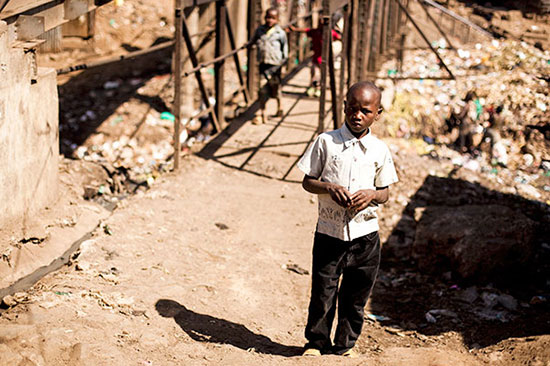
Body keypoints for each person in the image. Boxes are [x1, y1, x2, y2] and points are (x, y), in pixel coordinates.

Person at [297, 81, 398, 357]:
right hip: (330, 232)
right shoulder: (326, 142)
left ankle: (344, 346)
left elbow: (385, 192)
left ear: (378, 113)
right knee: (323, 292)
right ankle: (316, 344)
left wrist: (371, 195)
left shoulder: (379, 150)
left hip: (365, 237)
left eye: (365, 111)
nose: (357, 115)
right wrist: (329, 188)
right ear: (343, 107)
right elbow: (308, 181)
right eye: (352, 109)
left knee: (355, 296)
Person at [251, 7, 288, 124]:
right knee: (262, 90)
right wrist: (248, 45)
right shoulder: (260, 30)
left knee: (275, 89)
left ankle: (280, 106)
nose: (269, 20)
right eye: (268, 17)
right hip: (263, 64)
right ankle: (263, 113)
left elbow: (284, 50)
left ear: (277, 19)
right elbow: (253, 40)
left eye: (272, 18)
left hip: (275, 65)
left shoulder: (280, 33)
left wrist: (283, 65)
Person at [287, 22, 341, 97]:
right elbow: (305, 30)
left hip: (325, 60)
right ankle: (313, 88)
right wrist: (295, 29)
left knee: (319, 75)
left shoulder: (330, 33)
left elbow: (339, 37)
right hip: (316, 59)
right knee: (314, 74)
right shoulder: (316, 32)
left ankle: (317, 88)